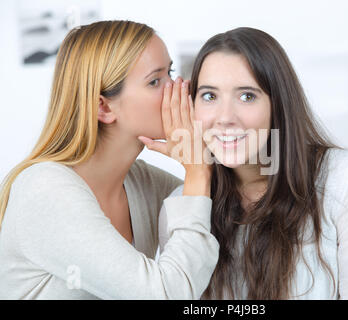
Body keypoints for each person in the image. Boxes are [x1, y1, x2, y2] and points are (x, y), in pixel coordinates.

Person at [154, 27, 348, 299]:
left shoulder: (345, 178)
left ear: (278, 103)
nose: (224, 118)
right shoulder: (182, 208)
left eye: (247, 96)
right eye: (209, 96)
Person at [0, 20, 218, 299]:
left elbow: (218, 206)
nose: (178, 90)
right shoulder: (45, 189)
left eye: (171, 73)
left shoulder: (141, 183)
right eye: (155, 81)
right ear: (103, 106)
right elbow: (164, 294)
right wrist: (197, 172)